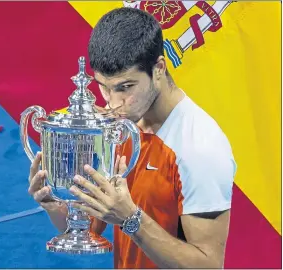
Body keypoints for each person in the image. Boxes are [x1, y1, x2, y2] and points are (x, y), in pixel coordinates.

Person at [28, 7, 237, 269]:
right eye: (103, 86)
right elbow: (90, 224)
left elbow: (208, 265)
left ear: (158, 68)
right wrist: (54, 204)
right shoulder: (118, 127)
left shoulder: (200, 147)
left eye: (125, 87)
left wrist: (131, 218)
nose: (113, 103)